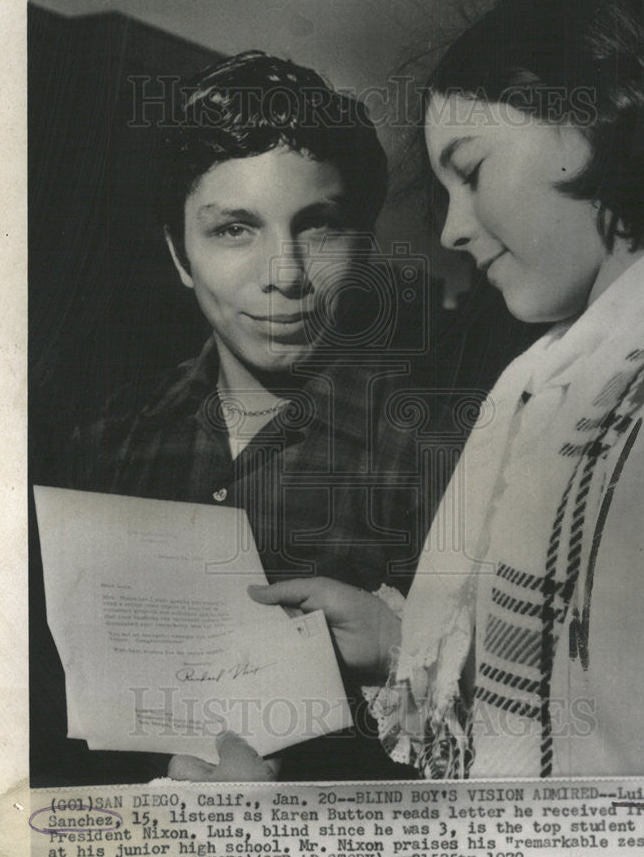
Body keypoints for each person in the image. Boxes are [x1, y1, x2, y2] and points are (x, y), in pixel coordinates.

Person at [250, 0, 644, 778]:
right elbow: (571, 676)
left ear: (586, 129)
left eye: (470, 173)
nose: (454, 232)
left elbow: (619, 818)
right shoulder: (571, 371)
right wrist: (394, 636)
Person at [30, 51, 432, 785]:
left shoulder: (437, 449)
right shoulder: (97, 443)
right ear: (179, 254)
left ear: (365, 243)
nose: (283, 274)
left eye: (319, 227)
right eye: (233, 230)